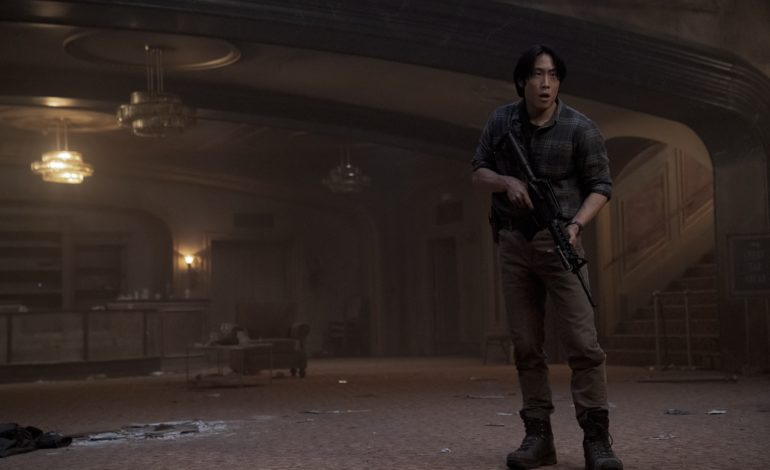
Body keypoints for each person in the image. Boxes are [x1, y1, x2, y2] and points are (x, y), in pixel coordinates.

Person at [471, 44, 623, 470]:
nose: (545, 83)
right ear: (522, 80)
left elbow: (601, 186)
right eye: (538, 74)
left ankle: (597, 439)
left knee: (583, 343)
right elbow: (478, 170)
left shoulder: (580, 127)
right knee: (526, 345)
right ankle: (538, 436)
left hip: (561, 242)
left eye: (553, 75)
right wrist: (506, 182)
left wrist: (575, 226)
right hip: (513, 243)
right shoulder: (501, 121)